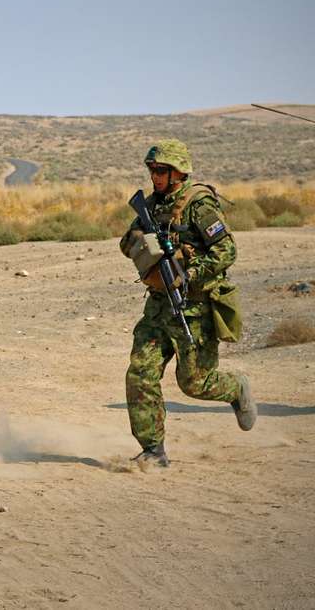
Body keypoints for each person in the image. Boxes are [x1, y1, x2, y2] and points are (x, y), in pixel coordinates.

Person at [120, 139, 256, 468]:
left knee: (195, 383)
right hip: (158, 305)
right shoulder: (150, 206)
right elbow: (127, 243)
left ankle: (236, 388)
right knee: (140, 374)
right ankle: (154, 450)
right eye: (152, 170)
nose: (154, 176)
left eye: (161, 170)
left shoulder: (199, 204)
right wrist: (145, 242)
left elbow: (226, 251)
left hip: (194, 307)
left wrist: (190, 272)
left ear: (178, 172)